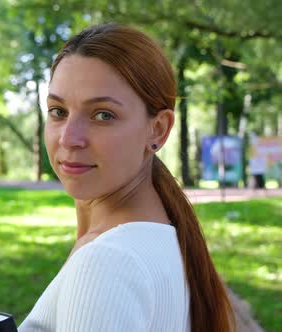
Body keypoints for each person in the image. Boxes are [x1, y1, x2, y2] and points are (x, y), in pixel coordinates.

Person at [18, 24, 235, 332]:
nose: (69, 139)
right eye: (58, 111)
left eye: (103, 115)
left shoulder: (106, 262)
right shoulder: (160, 238)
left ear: (157, 129)